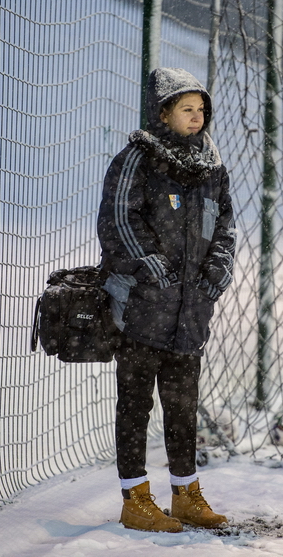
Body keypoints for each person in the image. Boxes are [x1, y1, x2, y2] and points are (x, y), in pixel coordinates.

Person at [97, 67, 236, 533]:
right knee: (135, 404)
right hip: (142, 308)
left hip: (190, 311)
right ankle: (134, 498)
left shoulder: (212, 166)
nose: (197, 118)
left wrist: (219, 266)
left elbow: (226, 227)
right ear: (163, 113)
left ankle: (186, 493)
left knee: (182, 405)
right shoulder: (137, 158)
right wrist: (149, 265)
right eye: (186, 109)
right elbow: (118, 219)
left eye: (201, 110)